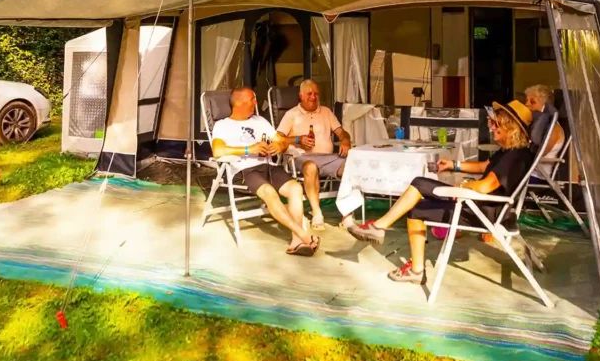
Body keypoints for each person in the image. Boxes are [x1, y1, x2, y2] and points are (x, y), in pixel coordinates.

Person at [346, 100, 535, 284]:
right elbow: (483, 166)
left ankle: (385, 233)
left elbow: (485, 186)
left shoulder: (515, 157)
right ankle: (401, 253)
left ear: (510, 128)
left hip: (482, 212)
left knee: (419, 185)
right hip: (482, 206)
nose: (492, 127)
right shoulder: (511, 152)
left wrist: (460, 189)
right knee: (417, 204)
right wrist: (455, 165)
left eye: (496, 124)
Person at [211, 87, 320, 256]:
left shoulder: (260, 121)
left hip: (268, 166)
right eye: (252, 100)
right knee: (269, 192)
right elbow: (218, 151)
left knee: (296, 188)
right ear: (239, 102)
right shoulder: (223, 125)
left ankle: (296, 241)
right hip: (245, 170)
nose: (256, 103)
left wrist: (278, 145)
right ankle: (303, 235)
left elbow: (282, 141)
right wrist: (249, 149)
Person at [276, 79, 353, 231]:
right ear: (301, 95)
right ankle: (317, 212)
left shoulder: (326, 112)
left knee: (351, 166)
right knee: (311, 167)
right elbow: (277, 139)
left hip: (328, 158)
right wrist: (297, 140)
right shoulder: (291, 114)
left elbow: (341, 132)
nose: (313, 97)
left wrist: (345, 140)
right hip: (302, 158)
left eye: (316, 94)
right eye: (309, 94)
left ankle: (347, 214)